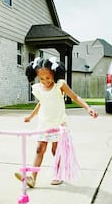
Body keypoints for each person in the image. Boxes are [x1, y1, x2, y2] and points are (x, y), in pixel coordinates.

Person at [15, 57, 98, 187]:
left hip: (58, 124)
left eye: (48, 78)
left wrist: (88, 108)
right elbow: (41, 103)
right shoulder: (38, 88)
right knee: (39, 149)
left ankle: (58, 175)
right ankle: (32, 177)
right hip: (44, 124)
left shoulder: (60, 85)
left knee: (56, 151)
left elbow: (75, 97)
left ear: (54, 73)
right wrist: (31, 116)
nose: (45, 81)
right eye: (41, 79)